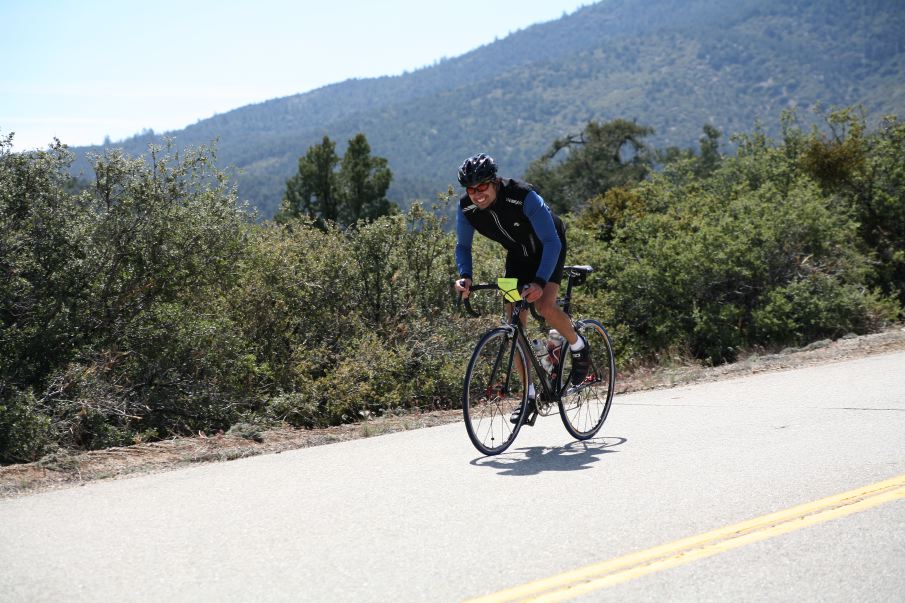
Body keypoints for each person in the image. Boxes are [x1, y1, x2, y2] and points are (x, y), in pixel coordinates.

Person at [453, 153, 590, 424]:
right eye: (471, 189)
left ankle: (578, 345)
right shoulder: (466, 209)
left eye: (482, 187)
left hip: (549, 248)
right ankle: (529, 396)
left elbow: (552, 241)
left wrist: (540, 282)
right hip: (516, 258)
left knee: (544, 306)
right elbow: (463, 247)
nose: (477, 195)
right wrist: (465, 276)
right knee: (513, 323)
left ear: (494, 182)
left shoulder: (523, 195)